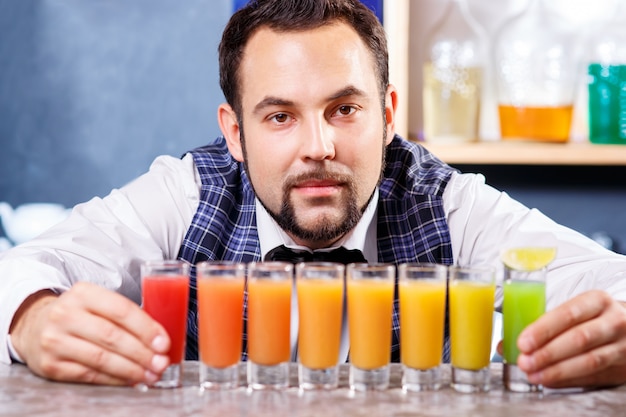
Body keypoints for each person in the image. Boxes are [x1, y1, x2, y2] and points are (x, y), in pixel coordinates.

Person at [1, 0, 626, 388]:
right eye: (279, 117)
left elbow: (607, 281)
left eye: (345, 109)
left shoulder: (447, 202)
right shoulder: (190, 192)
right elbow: (24, 268)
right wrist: (32, 319)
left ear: (388, 117)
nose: (318, 146)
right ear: (235, 134)